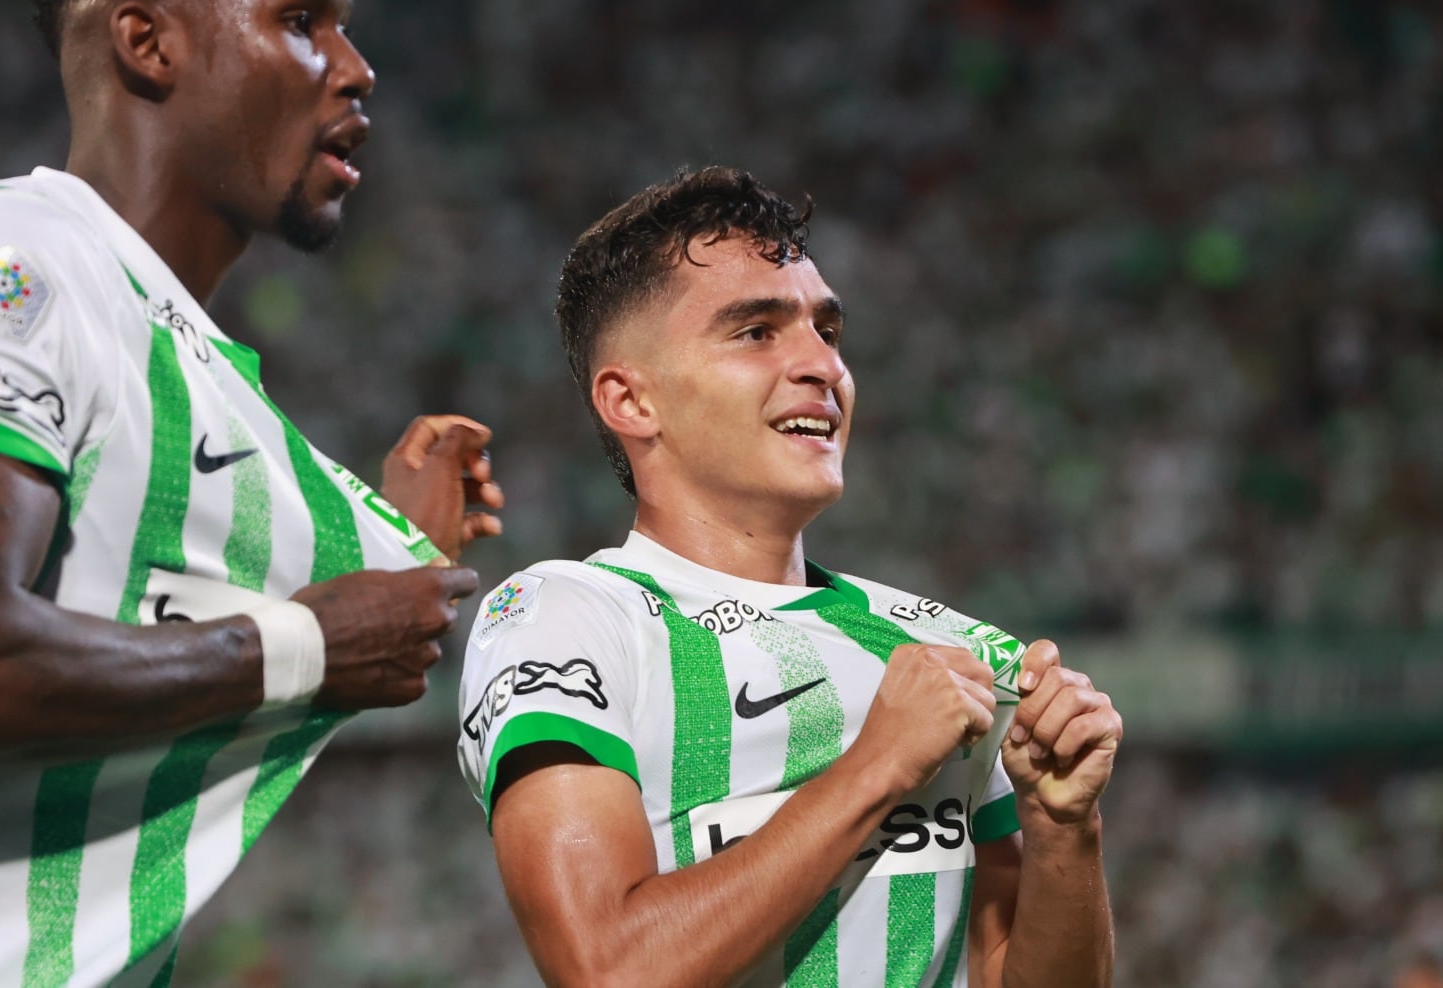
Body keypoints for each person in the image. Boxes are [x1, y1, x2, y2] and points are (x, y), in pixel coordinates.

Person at [0, 0, 503, 983]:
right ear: (149, 45)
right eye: (301, 20)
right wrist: (305, 647)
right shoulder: (11, 265)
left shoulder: (197, 372)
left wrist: (395, 546)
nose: (357, 67)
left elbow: (210, 617)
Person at [457, 167, 1121, 986]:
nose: (822, 365)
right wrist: (877, 767)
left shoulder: (947, 647)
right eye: (756, 332)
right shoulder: (566, 617)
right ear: (631, 401)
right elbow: (604, 969)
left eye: (828, 330)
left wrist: (1065, 826)